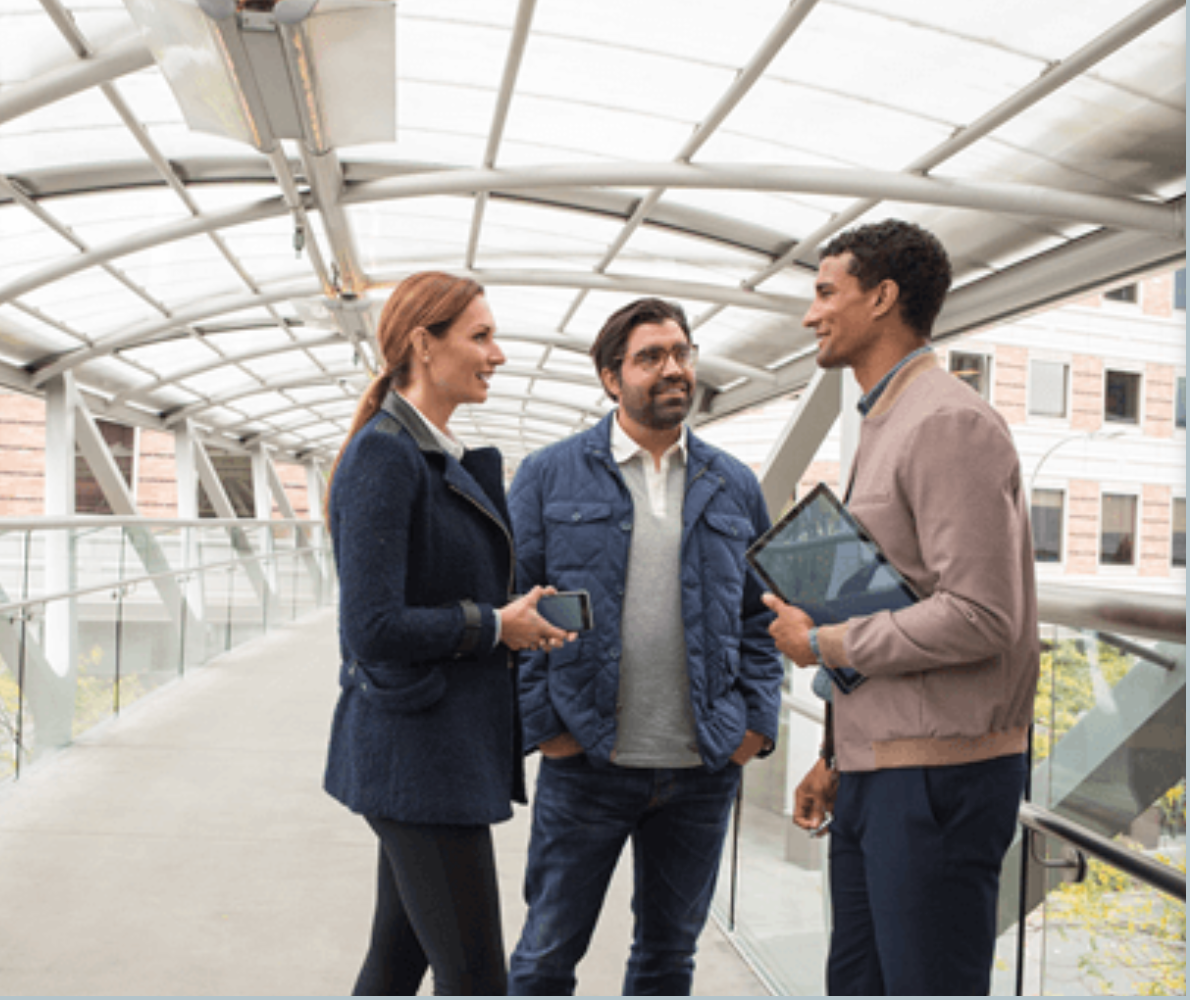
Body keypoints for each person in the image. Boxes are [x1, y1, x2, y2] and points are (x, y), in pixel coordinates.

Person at [763, 219, 1040, 995]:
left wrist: (823, 643)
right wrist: (834, 759)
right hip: (879, 772)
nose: (810, 314)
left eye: (825, 292)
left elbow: (983, 617)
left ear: (882, 297)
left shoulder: (947, 422)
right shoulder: (884, 419)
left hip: (937, 784)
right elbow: (908, 589)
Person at [505, 297, 782, 996]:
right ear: (610, 377)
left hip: (702, 766)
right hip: (587, 760)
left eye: (682, 353)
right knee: (544, 959)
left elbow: (762, 616)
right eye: (651, 356)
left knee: (666, 963)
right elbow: (513, 607)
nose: (674, 369)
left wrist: (754, 726)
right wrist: (548, 729)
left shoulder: (734, 483)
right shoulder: (547, 475)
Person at [323, 271, 576, 996]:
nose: (498, 355)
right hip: (418, 756)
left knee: (397, 963)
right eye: (481, 336)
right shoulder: (386, 455)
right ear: (423, 345)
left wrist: (514, 617)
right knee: (475, 979)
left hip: (432, 749)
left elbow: (428, 596)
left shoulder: (427, 452)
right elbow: (371, 627)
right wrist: (497, 626)